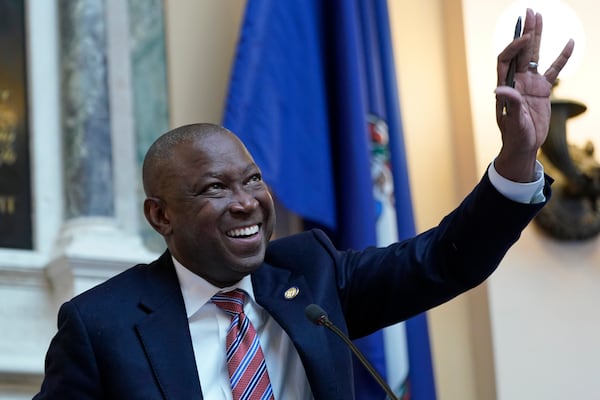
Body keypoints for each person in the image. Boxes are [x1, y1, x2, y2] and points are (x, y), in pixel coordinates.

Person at [34, 8, 574, 400]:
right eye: (215, 189)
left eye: (253, 180)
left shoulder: (311, 274)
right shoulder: (101, 326)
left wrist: (517, 157)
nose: (247, 203)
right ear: (161, 215)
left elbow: (445, 261)